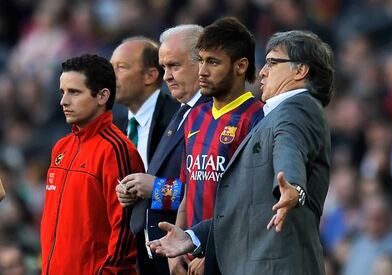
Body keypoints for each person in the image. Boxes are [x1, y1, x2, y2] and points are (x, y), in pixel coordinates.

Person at [148, 30, 334, 275]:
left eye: (272, 62)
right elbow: (245, 206)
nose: (263, 72)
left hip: (277, 265)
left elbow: (289, 148)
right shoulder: (198, 116)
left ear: (300, 71)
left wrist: (292, 185)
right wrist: (193, 238)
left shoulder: (297, 109)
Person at [172, 17, 264, 274]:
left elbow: (252, 202)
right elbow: (188, 187)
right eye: (201, 60)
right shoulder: (195, 116)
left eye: (213, 62)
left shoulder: (257, 119)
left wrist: (213, 253)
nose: (202, 70)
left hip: (231, 258)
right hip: (189, 256)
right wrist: (177, 245)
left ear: (241, 66)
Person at [41, 54, 144, 274]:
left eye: (74, 92)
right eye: (62, 92)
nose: (64, 101)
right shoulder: (61, 147)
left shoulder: (117, 150)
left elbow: (127, 228)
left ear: (102, 96)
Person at [116, 25, 206, 275]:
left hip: (187, 254)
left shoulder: (209, 117)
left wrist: (155, 189)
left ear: (202, 64)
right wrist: (133, 192)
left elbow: (206, 193)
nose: (167, 76)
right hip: (154, 253)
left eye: (174, 65)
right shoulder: (182, 112)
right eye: (165, 67)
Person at [110, 37, 179, 170]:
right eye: (110, 67)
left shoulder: (177, 120)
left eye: (121, 67)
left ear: (150, 76)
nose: (111, 75)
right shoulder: (115, 128)